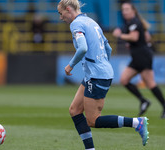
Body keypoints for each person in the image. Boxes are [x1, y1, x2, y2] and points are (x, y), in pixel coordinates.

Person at [57, 0, 149, 149]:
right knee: (74, 110)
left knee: (92, 120)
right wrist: (103, 66)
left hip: (96, 75)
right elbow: (109, 48)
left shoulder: (76, 24)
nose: (61, 18)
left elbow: (82, 49)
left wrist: (70, 65)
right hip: (95, 74)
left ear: (68, 9)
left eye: (61, 14)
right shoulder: (91, 22)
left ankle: (136, 123)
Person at [112, 2, 165, 118]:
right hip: (137, 56)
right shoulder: (130, 22)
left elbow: (134, 37)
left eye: (127, 9)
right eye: (123, 9)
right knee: (124, 80)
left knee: (150, 83)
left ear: (133, 11)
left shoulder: (134, 22)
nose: (124, 11)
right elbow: (145, 37)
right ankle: (143, 100)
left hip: (143, 56)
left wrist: (120, 35)